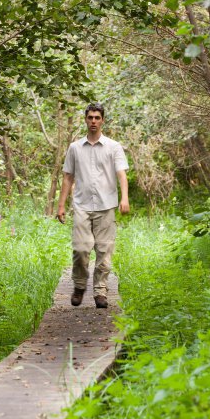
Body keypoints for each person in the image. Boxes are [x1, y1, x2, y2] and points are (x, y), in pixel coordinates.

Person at [56, 103, 130, 308]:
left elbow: (121, 174)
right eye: (90, 118)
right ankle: (79, 286)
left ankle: (100, 292)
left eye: (97, 118)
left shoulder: (113, 147)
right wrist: (61, 205)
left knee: (104, 251)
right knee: (80, 249)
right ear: (86, 120)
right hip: (82, 205)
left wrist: (124, 198)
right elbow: (68, 177)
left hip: (106, 205)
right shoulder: (75, 148)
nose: (94, 121)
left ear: (103, 120)